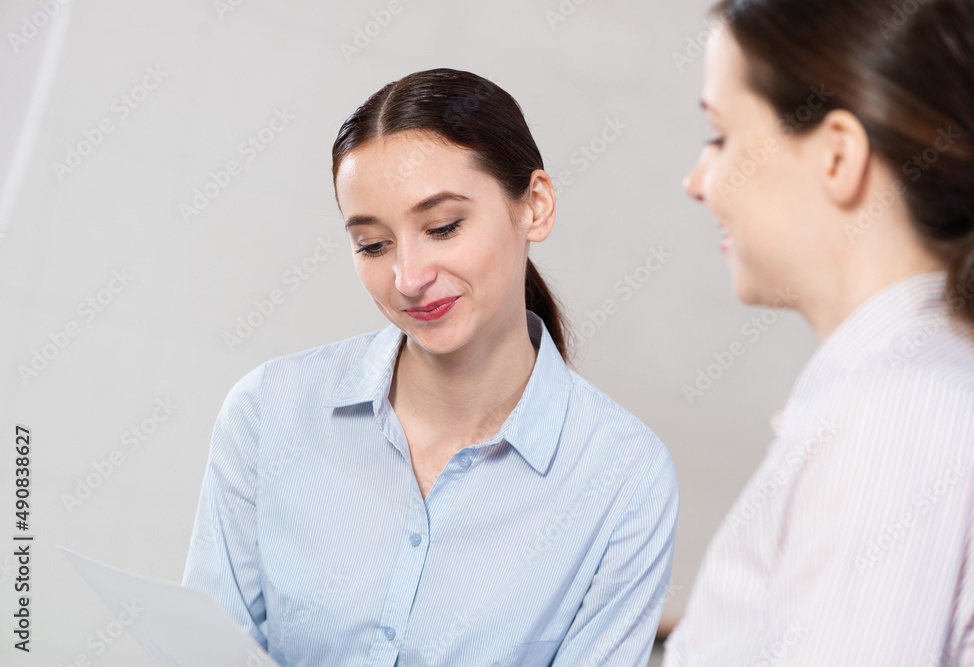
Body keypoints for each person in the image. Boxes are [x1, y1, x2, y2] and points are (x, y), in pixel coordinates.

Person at [182, 68, 679, 666]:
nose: (408, 278)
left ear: (536, 207)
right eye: (373, 244)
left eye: (442, 227)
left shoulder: (624, 477)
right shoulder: (269, 411)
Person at [665, 0, 974, 664]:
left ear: (838, 155)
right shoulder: (919, 386)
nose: (697, 181)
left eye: (722, 135)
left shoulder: (895, 414)